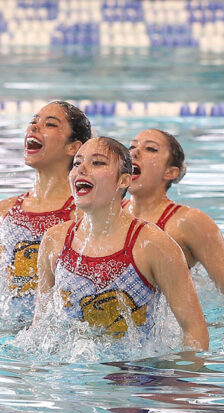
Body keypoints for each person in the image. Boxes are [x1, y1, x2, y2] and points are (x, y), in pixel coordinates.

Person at [35, 137, 209, 350]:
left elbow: (194, 332)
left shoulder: (153, 244)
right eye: (77, 163)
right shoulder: (54, 240)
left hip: (137, 376)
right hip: (72, 377)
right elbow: (40, 330)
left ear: (124, 180)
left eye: (97, 163)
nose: (82, 170)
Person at [125, 129, 224, 316]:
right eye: (131, 146)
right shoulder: (109, 212)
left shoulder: (187, 222)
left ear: (170, 172)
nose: (134, 152)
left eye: (151, 149)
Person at [0, 101, 91, 313]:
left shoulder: (83, 214)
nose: (33, 127)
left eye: (50, 124)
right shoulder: (5, 211)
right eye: (33, 122)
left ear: (73, 147)